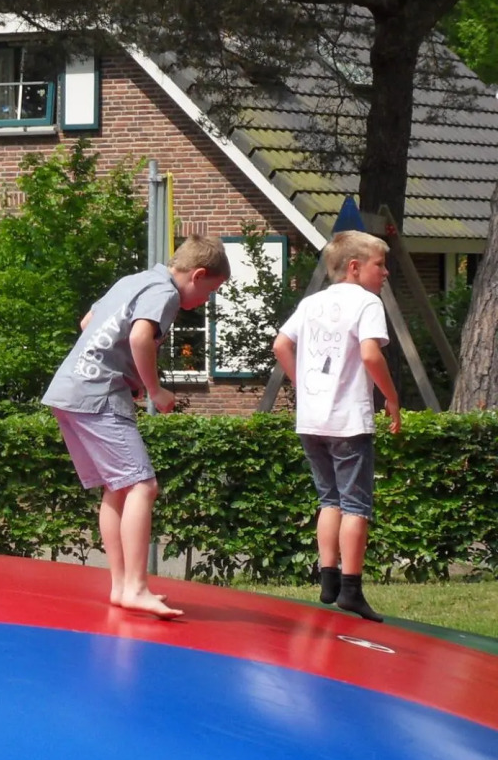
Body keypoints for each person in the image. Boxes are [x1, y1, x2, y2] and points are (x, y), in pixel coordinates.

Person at [41, 235, 231, 619]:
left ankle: (120, 587)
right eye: (210, 291)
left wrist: (107, 359)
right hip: (99, 395)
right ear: (196, 275)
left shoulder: (133, 280)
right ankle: (136, 587)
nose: (206, 301)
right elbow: (141, 335)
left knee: (118, 487)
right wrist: (154, 389)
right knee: (143, 485)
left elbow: (88, 322)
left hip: (70, 388)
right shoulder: (166, 293)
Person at [272, 230, 400, 622]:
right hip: (348, 420)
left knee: (329, 500)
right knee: (356, 505)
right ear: (356, 267)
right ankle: (351, 588)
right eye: (380, 265)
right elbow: (369, 354)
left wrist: (304, 388)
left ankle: (328, 578)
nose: (386, 273)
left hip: (311, 420)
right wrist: (391, 398)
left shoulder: (312, 303)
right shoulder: (366, 302)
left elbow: (281, 345)